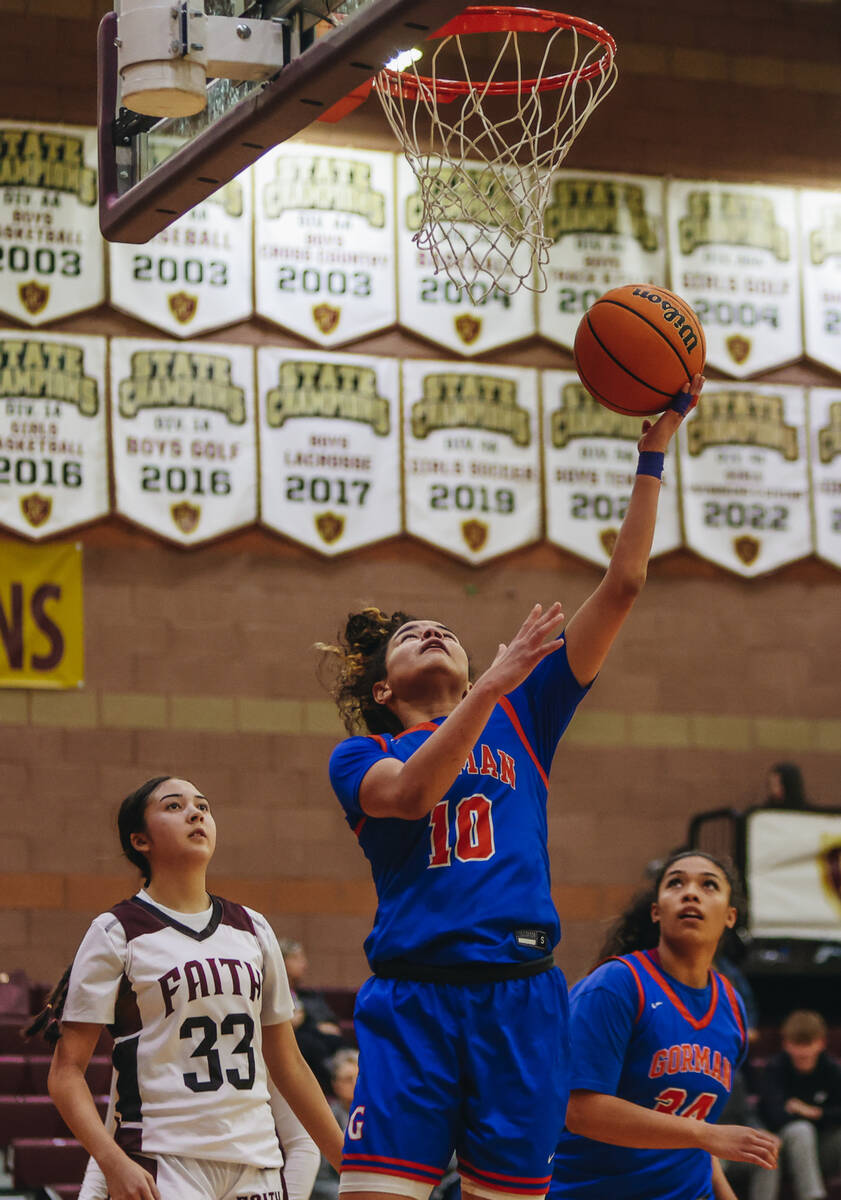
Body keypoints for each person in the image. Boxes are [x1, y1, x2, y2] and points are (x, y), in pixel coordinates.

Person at [318, 378, 705, 1200]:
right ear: (383, 691)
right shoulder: (361, 755)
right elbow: (417, 794)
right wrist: (488, 685)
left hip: (520, 999)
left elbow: (624, 585)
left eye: (443, 630)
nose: (428, 631)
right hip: (413, 1001)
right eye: (407, 637)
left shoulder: (525, 712)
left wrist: (653, 451)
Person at [40, 775, 344, 1200]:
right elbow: (66, 1071)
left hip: (255, 1160)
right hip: (163, 1159)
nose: (196, 812)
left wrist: (351, 1167)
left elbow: (288, 1063)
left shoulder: (253, 928)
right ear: (140, 841)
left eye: (203, 805)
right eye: (174, 806)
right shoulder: (117, 931)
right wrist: (112, 1162)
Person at [550, 849, 779, 1200]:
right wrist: (705, 1134)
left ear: (730, 916)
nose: (690, 892)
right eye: (676, 883)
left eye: (709, 885)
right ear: (656, 912)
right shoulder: (616, 984)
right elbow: (581, 1110)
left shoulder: (732, 1006)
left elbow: (692, 1126)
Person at [751, 1010, 841, 1200]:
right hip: (781, 1144)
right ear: (786, 1044)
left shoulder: (832, 1069)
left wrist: (815, 1112)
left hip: (821, 1146)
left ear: (821, 1043)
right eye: (797, 1045)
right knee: (801, 1130)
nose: (803, 1052)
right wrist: (814, 1116)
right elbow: (775, 1115)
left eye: (807, 1044)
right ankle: (813, 1196)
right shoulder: (775, 1068)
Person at [281, 938, 348, 1092]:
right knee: (312, 1046)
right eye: (297, 958)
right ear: (282, 961)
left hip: (318, 1038)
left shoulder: (309, 995)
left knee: (339, 1043)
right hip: (296, 1043)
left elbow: (331, 1023)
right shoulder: (272, 993)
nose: (304, 964)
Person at [311, 1050, 360, 1200]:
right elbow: (320, 1179)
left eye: (358, 1078)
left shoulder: (376, 1116)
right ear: (336, 1085)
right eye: (347, 1079)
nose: (354, 1084)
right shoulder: (326, 1118)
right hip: (335, 1189)